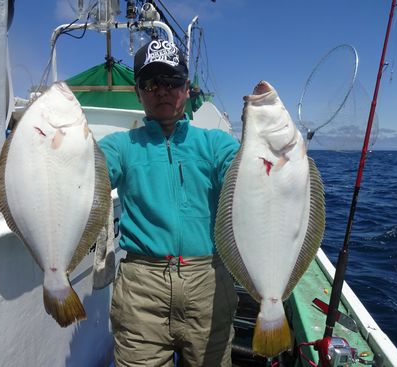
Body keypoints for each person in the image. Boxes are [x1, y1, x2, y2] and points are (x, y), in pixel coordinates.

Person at [98, 38, 240, 367]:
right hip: (141, 290)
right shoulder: (120, 146)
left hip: (209, 285)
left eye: (172, 81)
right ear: (138, 91)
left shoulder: (217, 143)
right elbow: (88, 172)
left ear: (187, 89)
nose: (161, 90)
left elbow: (244, 176)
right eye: (150, 83)